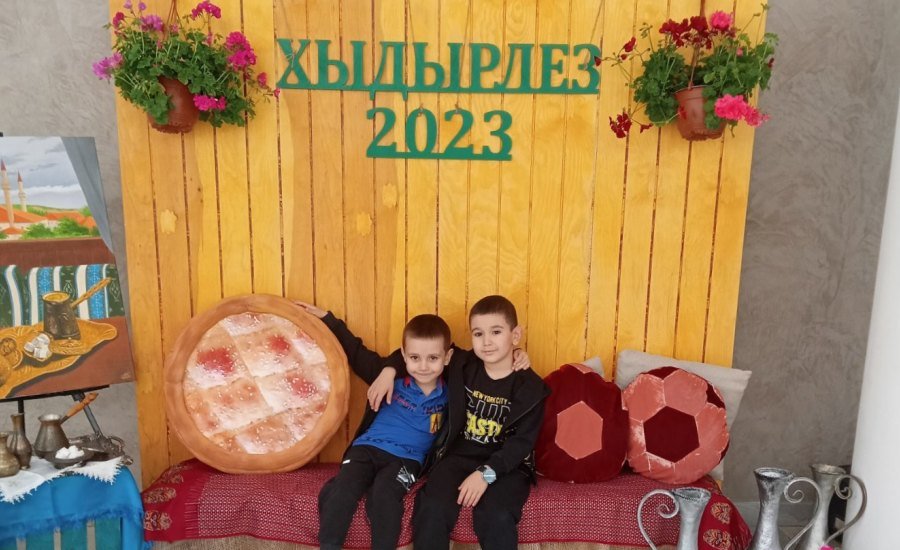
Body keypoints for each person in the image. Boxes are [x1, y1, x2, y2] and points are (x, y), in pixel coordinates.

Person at [370, 295, 550, 550]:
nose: (487, 342)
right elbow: (419, 350)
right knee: (431, 507)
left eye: (496, 332)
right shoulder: (462, 364)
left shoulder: (531, 388)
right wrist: (389, 370)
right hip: (459, 456)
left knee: (496, 515)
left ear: (515, 335)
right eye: (478, 334)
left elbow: (521, 444)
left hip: (508, 465)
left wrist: (485, 474)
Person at [297, 302, 454, 550]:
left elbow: (483, 364)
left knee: (385, 494)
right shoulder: (388, 377)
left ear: (447, 357)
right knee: (344, 489)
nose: (423, 366)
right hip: (367, 449)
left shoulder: (453, 392)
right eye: (415, 358)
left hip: (408, 460)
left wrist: (515, 354)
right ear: (404, 356)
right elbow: (356, 352)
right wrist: (329, 319)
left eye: (432, 358)